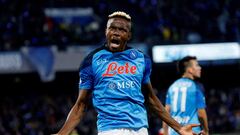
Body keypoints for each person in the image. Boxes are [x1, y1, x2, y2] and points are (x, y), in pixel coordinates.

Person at [54, 11, 202, 135]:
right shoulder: (91, 61)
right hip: (110, 130)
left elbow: (151, 99)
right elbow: (81, 105)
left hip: (141, 129)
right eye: (113, 28)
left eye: (122, 30)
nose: (117, 33)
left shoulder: (141, 59)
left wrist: (179, 128)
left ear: (129, 35)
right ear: (106, 31)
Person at [162, 56, 209, 135]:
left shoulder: (172, 86)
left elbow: (166, 113)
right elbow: (201, 113)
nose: (200, 68)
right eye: (197, 65)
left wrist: (165, 133)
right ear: (190, 70)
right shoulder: (196, 86)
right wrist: (206, 131)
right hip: (192, 132)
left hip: (174, 131)